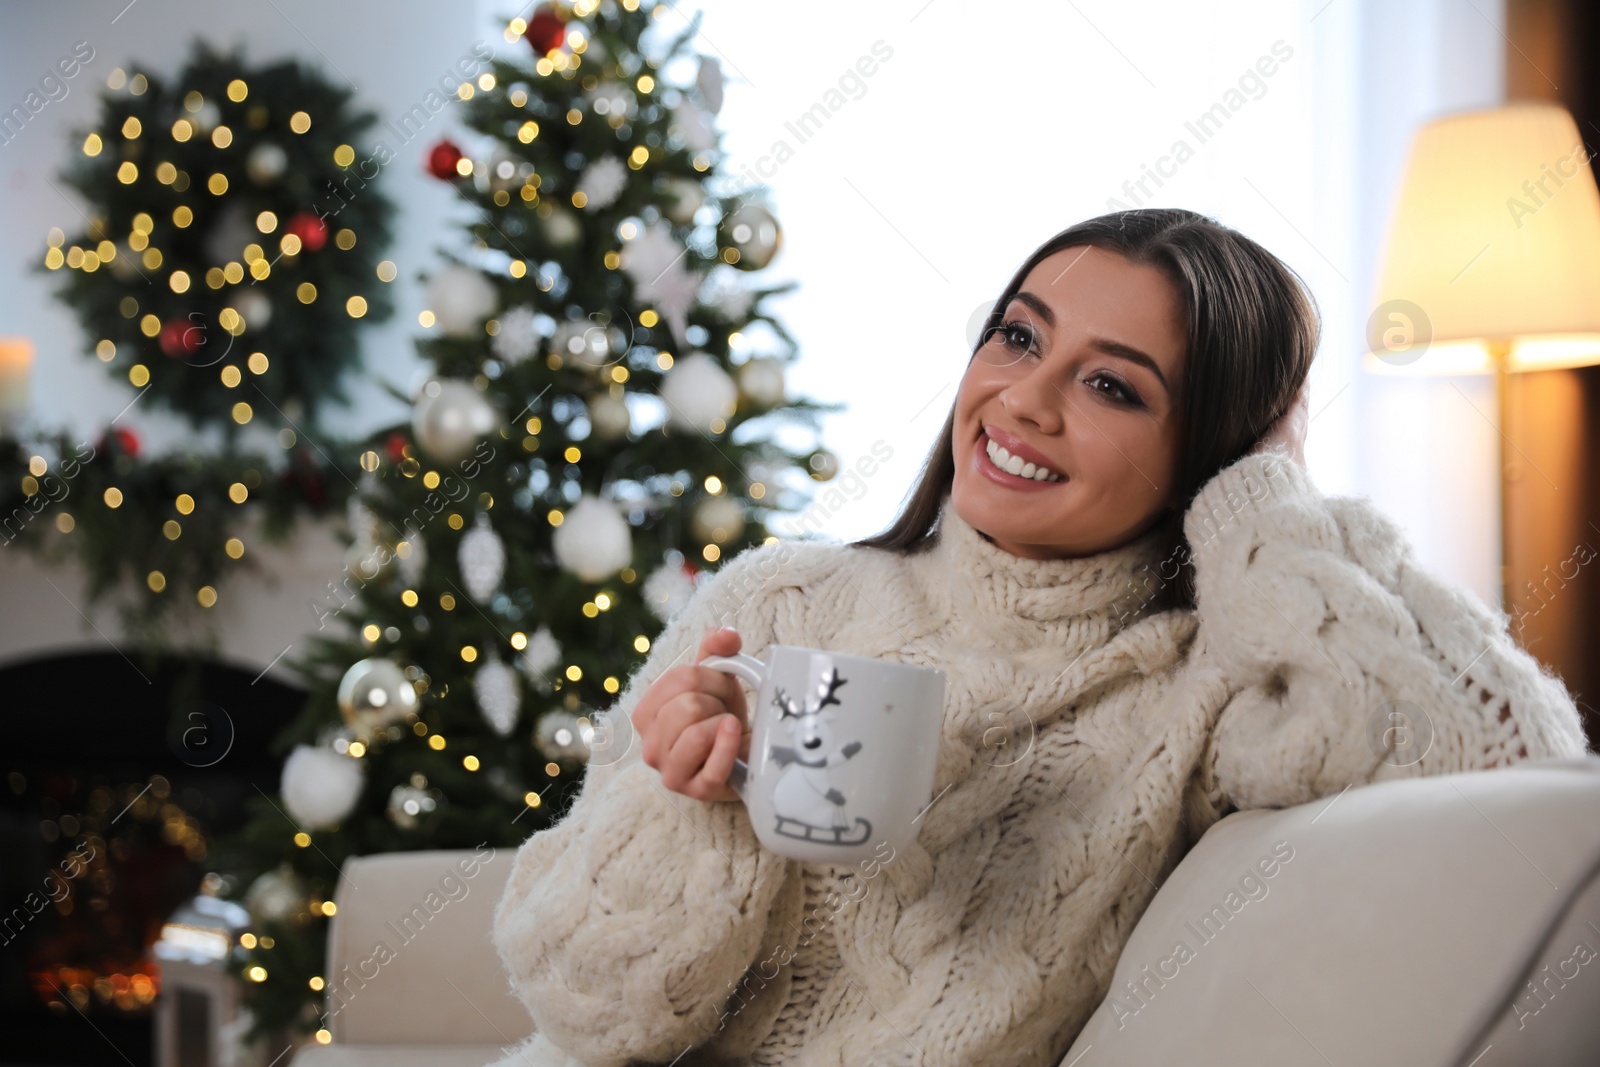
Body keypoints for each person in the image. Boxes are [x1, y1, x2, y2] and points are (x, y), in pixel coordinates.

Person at [486, 208, 1591, 1067]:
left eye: (1110, 384)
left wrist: (1266, 490)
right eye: (1016, 336)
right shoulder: (781, 599)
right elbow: (589, 1006)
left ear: (1204, 445)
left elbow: (1505, 756)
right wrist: (693, 800)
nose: (1024, 399)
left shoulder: (1200, 690)